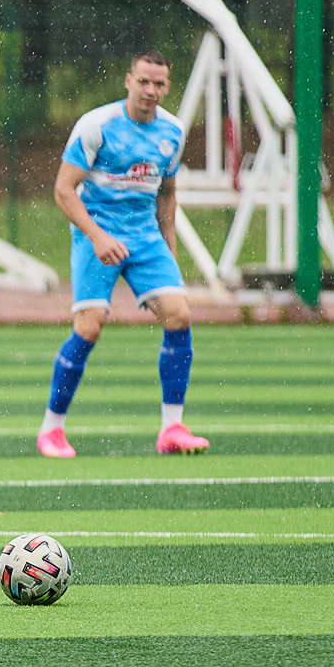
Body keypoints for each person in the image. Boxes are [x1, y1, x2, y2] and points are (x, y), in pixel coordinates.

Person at [38, 51, 207, 458]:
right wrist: (97, 237)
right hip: (94, 230)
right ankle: (52, 429)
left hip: (146, 237)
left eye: (159, 84)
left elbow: (166, 193)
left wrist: (169, 252)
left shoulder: (172, 132)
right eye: (144, 82)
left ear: (168, 87)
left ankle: (172, 429)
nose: (151, 91)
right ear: (128, 81)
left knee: (179, 314)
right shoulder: (97, 126)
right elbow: (63, 190)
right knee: (90, 326)